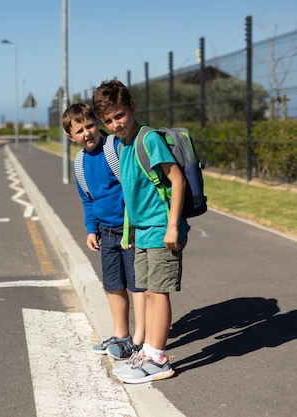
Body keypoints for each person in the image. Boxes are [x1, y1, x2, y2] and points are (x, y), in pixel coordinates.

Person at [92, 80, 189, 384]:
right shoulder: (121, 145)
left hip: (162, 229)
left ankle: (158, 358)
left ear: (131, 108)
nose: (115, 124)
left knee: (158, 293)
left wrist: (173, 225)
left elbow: (177, 180)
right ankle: (147, 353)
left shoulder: (148, 140)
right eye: (107, 121)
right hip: (142, 232)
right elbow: (132, 193)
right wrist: (128, 231)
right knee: (146, 291)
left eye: (119, 116)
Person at [62, 103, 145, 360]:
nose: (87, 133)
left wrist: (133, 227)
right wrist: (90, 229)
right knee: (113, 285)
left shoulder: (113, 148)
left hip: (129, 229)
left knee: (138, 284)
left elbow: (132, 186)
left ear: (97, 124)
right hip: (106, 232)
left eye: (89, 126)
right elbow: (87, 200)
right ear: (70, 137)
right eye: (79, 131)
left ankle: (141, 339)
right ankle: (122, 335)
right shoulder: (79, 163)